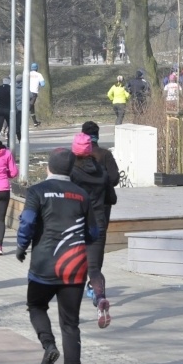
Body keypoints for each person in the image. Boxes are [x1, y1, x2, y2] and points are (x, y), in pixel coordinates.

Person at [16, 148, 99, 364]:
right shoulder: (82, 195)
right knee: (70, 324)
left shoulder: (37, 191)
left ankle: (49, 345)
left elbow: (27, 222)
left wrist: (21, 246)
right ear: (71, 169)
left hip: (43, 265)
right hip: (74, 268)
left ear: (48, 167)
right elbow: (93, 233)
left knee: (36, 306)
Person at [69, 133, 112, 326]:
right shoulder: (102, 172)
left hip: (76, 224)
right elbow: (113, 198)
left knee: (73, 269)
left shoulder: (71, 173)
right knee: (94, 268)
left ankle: (71, 314)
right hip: (98, 223)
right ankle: (100, 297)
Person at [0, 77, 12, 141]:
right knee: (10, 127)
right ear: (9, 81)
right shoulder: (11, 89)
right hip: (9, 109)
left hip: (0, 109)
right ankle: (9, 141)